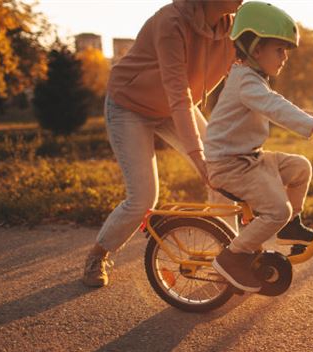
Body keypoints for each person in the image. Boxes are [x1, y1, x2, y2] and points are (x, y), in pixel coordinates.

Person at [82, 0, 243, 288]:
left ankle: (229, 257)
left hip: (175, 107)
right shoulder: (171, 21)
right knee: (143, 198)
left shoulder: (236, 26)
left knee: (223, 171)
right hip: (130, 105)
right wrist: (198, 158)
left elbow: (246, 80)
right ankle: (99, 254)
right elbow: (177, 92)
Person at [204, 1, 313, 293]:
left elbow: (278, 104)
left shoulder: (253, 79)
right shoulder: (245, 82)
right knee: (277, 209)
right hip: (228, 166)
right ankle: (233, 256)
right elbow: (275, 108)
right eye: (279, 50)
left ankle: (290, 226)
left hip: (249, 159)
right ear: (256, 50)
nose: (284, 58)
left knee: (300, 168)